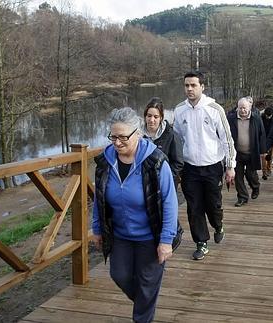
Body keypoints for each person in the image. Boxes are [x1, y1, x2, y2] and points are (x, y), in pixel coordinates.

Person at [92, 107, 178, 323]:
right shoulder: (105, 161)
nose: (117, 143)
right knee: (119, 275)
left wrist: (166, 240)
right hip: (120, 234)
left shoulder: (155, 162)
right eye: (113, 137)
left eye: (123, 137)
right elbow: (99, 198)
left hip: (151, 236)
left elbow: (169, 202)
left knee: (148, 284)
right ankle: (144, 301)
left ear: (138, 134)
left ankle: (142, 315)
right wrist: (97, 228)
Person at [173, 71, 236, 261]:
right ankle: (201, 242)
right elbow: (175, 140)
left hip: (212, 166)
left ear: (202, 87)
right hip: (190, 168)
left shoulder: (214, 109)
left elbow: (227, 139)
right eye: (187, 85)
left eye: (193, 85)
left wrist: (230, 166)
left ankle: (218, 224)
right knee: (194, 207)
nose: (190, 89)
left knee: (213, 204)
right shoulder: (179, 110)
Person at [227, 97, 266, 207]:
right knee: (238, 176)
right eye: (240, 108)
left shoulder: (256, 118)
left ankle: (255, 187)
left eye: (244, 108)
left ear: (249, 107)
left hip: (252, 152)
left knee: (251, 174)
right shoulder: (231, 119)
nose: (242, 110)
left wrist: (263, 151)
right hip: (237, 153)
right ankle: (242, 197)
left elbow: (262, 134)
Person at [143, 97, 184, 186]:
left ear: (161, 118)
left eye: (156, 117)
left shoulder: (171, 135)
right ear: (145, 116)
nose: (151, 120)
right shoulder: (139, 136)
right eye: (149, 116)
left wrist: (165, 178)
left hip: (165, 184)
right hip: (144, 185)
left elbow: (178, 163)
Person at [260, 106, 273, 180]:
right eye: (267, 116)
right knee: (264, 156)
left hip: (271, 140)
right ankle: (264, 172)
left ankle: (269, 169)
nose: (268, 117)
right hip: (263, 140)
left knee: (270, 156)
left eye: (270, 116)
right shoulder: (261, 118)